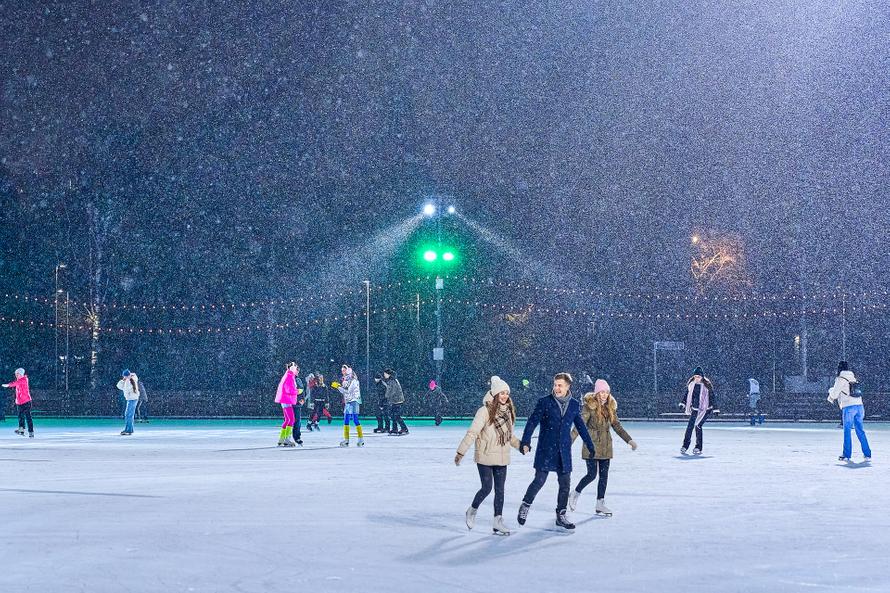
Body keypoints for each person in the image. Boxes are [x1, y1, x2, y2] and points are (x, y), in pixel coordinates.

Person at [518, 372, 596, 531]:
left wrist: (590, 444)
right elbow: (532, 422)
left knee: (565, 484)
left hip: (563, 450)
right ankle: (525, 504)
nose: (557, 388)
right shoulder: (545, 402)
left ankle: (561, 515)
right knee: (539, 480)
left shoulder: (574, 404)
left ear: (568, 386)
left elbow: (580, 426)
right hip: (546, 448)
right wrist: (525, 441)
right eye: (555, 385)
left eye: (560, 385)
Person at [455, 376, 521, 536]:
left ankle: (498, 521)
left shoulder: (509, 412)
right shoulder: (484, 411)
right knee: (486, 488)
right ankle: (472, 510)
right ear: (495, 394)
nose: (505, 396)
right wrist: (461, 451)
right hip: (485, 455)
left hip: (502, 456)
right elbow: (472, 432)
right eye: (502, 393)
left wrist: (521, 446)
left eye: (507, 393)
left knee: (500, 490)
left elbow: (509, 436)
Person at [569, 379, 637, 516]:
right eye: (602, 392)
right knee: (592, 474)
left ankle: (600, 504)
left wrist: (629, 440)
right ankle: (575, 493)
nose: (604, 395)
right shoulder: (589, 407)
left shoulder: (610, 407)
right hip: (591, 445)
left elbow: (617, 426)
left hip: (606, 446)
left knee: (604, 476)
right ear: (597, 393)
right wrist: (568, 442)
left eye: (606, 392)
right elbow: (579, 426)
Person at [828, 361, 871, 462]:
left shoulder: (840, 378)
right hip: (860, 406)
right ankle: (867, 453)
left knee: (847, 431)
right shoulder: (853, 377)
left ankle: (846, 454)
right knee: (860, 431)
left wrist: (830, 391)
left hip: (849, 407)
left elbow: (834, 394)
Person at [678, 366, 718, 455]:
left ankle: (698, 447)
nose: (697, 378)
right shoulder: (691, 385)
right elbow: (687, 395)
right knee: (690, 427)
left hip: (706, 410)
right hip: (695, 409)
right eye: (695, 376)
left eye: (699, 377)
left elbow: (712, 397)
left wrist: (715, 409)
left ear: (702, 377)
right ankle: (685, 446)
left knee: (698, 426)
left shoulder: (707, 386)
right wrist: (683, 403)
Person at [337, 364, 363, 447]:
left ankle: (360, 439)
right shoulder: (346, 380)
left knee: (355, 419)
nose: (343, 372)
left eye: (344, 370)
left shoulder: (354, 380)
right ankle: (346, 440)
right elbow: (344, 391)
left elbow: (348, 391)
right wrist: (339, 387)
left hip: (354, 401)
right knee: (346, 419)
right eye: (342, 371)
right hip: (348, 401)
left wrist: (338, 387)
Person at [274, 362, 299, 447]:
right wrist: (297, 391)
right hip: (286, 399)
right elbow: (289, 389)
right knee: (291, 419)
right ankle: (287, 439)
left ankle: (281, 439)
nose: (297, 371)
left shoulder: (287, 375)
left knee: (287, 420)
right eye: (296, 369)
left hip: (284, 399)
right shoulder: (290, 376)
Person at [3, 368, 33, 438]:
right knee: (20, 417)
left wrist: (9, 385)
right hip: (19, 402)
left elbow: (15, 383)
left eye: (18, 374)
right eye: (16, 374)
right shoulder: (19, 381)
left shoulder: (24, 380)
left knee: (28, 417)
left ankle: (31, 432)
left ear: (21, 374)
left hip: (26, 401)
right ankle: (21, 430)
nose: (16, 375)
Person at [383, 368, 408, 435]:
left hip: (397, 401)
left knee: (396, 416)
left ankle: (404, 429)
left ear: (388, 374)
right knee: (393, 415)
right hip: (395, 401)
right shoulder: (391, 380)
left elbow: (393, 391)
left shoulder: (392, 381)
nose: (384, 375)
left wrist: (387, 397)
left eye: (385, 374)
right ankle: (395, 429)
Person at [116, 369, 140, 436]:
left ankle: (128, 430)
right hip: (131, 399)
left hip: (132, 399)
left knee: (128, 415)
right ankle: (129, 429)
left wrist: (125, 380)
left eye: (125, 376)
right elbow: (118, 386)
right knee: (129, 415)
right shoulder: (129, 380)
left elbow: (123, 388)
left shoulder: (130, 381)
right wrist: (123, 380)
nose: (125, 377)